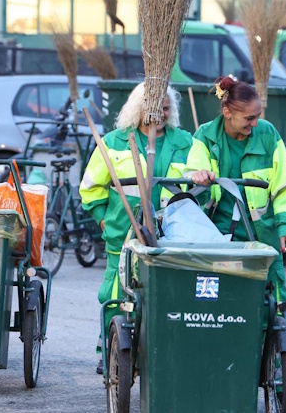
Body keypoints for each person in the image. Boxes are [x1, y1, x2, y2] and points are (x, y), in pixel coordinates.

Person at [185, 76, 286, 411]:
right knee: (217, 311)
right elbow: (190, 183)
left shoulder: (268, 135)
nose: (254, 124)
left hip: (263, 242)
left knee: (275, 311)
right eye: (248, 118)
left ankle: (280, 383)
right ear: (226, 111)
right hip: (219, 243)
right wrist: (198, 178)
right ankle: (214, 378)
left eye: (257, 117)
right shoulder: (206, 137)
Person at [80, 82, 193, 374]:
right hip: (123, 235)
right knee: (115, 296)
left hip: (170, 237)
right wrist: (105, 218)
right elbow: (91, 188)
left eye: (167, 108)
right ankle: (110, 351)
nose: (162, 113)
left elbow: (197, 187)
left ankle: (158, 354)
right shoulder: (114, 142)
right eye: (157, 107)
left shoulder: (186, 143)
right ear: (138, 108)